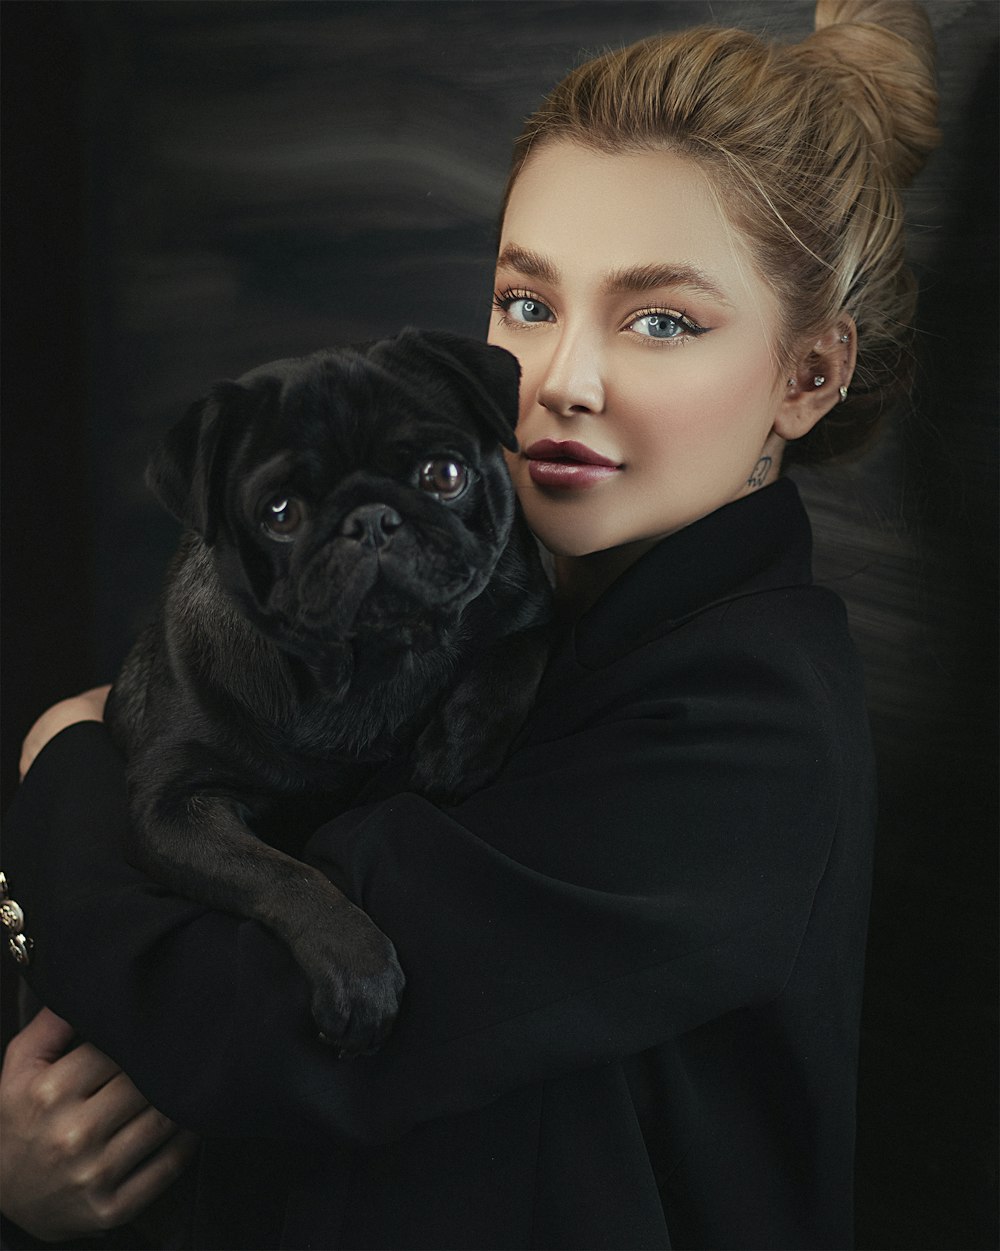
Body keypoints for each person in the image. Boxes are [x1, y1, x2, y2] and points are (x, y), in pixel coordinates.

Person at [0, 0, 940, 1246]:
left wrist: (62, 768)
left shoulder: (742, 735)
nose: (563, 380)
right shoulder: (464, 603)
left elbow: (255, 1026)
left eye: (661, 320)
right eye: (528, 301)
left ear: (807, 376)